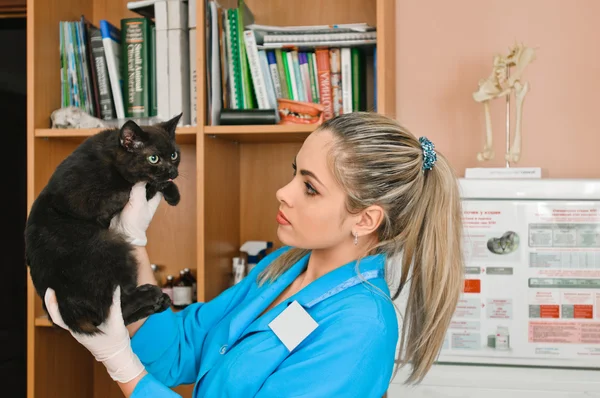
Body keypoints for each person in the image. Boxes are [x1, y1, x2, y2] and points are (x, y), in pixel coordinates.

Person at [44, 112, 464, 397]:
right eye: (293, 172)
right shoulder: (279, 270)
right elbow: (180, 349)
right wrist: (132, 243)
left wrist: (125, 369)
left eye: (310, 187)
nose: (284, 192)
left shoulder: (360, 326)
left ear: (366, 219)